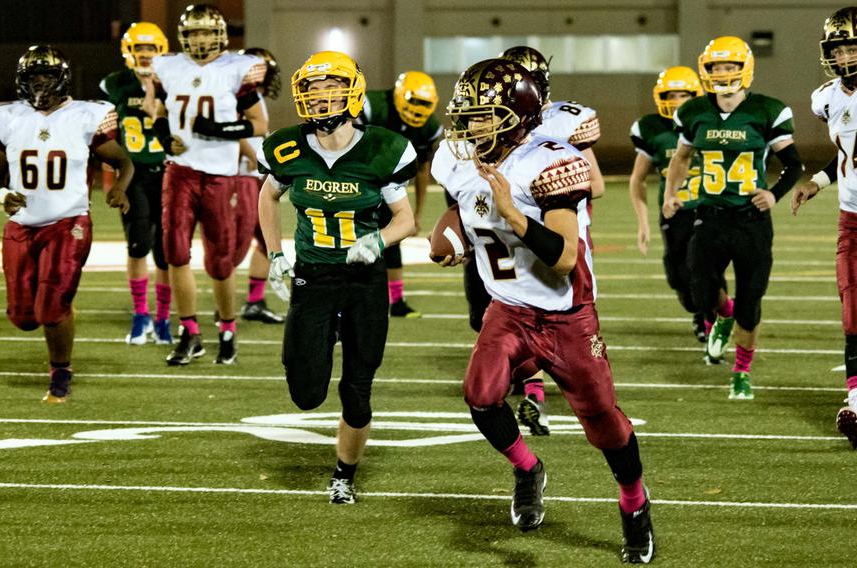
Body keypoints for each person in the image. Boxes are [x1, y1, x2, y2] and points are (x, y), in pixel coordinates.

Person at [432, 58, 655, 563]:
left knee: (603, 422)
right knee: (481, 395)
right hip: (508, 308)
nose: (469, 124)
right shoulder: (456, 156)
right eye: (466, 111)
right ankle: (528, 468)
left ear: (516, 115)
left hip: (566, 313)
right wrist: (457, 236)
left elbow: (566, 257)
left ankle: (634, 504)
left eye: (482, 114)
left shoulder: (552, 160)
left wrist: (512, 214)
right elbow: (464, 203)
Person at [257, 51, 416, 504]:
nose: (322, 98)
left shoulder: (383, 148)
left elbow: (406, 219)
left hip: (363, 279)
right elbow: (266, 197)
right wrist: (274, 253)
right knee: (306, 391)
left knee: (357, 386)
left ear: (353, 91)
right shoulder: (286, 147)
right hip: (313, 275)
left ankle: (344, 473)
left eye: (331, 88)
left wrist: (378, 241)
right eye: (313, 89)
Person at [0, 45, 133, 402]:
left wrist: (120, 190)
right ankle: (60, 313)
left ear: (62, 78)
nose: (40, 83)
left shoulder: (85, 115)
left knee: (51, 307)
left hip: (69, 222)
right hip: (20, 225)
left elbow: (123, 162)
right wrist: (3, 194)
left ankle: (60, 372)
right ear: (21, 81)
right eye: (34, 76)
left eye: (47, 75)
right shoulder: (6, 116)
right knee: (23, 317)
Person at [663, 36, 803, 399]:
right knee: (700, 288)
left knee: (751, 300)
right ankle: (721, 317)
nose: (723, 74)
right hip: (709, 216)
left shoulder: (767, 110)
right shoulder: (693, 112)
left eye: (730, 67)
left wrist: (773, 193)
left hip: (750, 221)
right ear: (705, 70)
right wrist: (670, 195)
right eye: (716, 68)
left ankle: (742, 370)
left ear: (746, 68)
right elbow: (680, 158)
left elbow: (793, 164)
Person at [147, 4, 268, 365]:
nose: (199, 39)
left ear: (219, 34)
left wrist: (217, 130)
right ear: (184, 36)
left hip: (220, 174)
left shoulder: (237, 68)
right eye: (193, 32)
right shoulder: (167, 66)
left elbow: (259, 124)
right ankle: (190, 332)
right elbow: (160, 113)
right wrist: (163, 137)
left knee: (219, 260)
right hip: (179, 170)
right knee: (175, 253)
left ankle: (227, 328)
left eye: (205, 31)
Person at [497, 45, 606, 436]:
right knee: (512, 312)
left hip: (556, 230)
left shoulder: (563, 121)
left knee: (557, 313)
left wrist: (550, 187)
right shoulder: (489, 124)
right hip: (505, 235)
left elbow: (596, 185)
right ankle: (535, 396)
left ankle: (548, 393)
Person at [793, 6, 857, 449]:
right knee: (856, 314)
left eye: (853, 46)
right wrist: (820, 180)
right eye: (839, 48)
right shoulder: (827, 96)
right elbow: (851, 152)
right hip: (854, 220)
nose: (845, 56)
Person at [629, 66, 718, 343]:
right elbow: (638, 180)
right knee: (677, 275)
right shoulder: (651, 128)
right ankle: (698, 310)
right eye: (671, 94)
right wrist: (642, 223)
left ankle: (713, 319)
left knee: (706, 267)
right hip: (673, 211)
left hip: (708, 207)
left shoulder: (710, 122)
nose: (677, 100)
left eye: (683, 94)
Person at [100, 22, 174, 346]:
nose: (145, 55)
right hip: (133, 174)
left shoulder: (172, 82)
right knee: (138, 244)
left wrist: (155, 89)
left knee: (166, 252)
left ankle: (163, 318)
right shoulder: (114, 84)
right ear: (128, 52)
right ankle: (141, 313)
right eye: (139, 49)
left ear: (161, 51)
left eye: (150, 49)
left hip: (169, 171)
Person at [359, 71, 442, 317]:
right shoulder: (373, 106)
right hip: (360, 182)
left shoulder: (430, 127)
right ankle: (355, 300)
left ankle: (396, 301)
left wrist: (416, 213)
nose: (417, 110)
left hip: (391, 185)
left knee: (392, 241)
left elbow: (423, 170)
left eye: (424, 104)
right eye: (413, 101)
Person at [232, 46, 284, 325]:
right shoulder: (236, 94)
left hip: (254, 176)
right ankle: (224, 301)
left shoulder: (254, 96)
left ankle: (254, 301)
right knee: (234, 247)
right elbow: (230, 129)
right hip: (240, 176)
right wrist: (254, 156)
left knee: (266, 240)